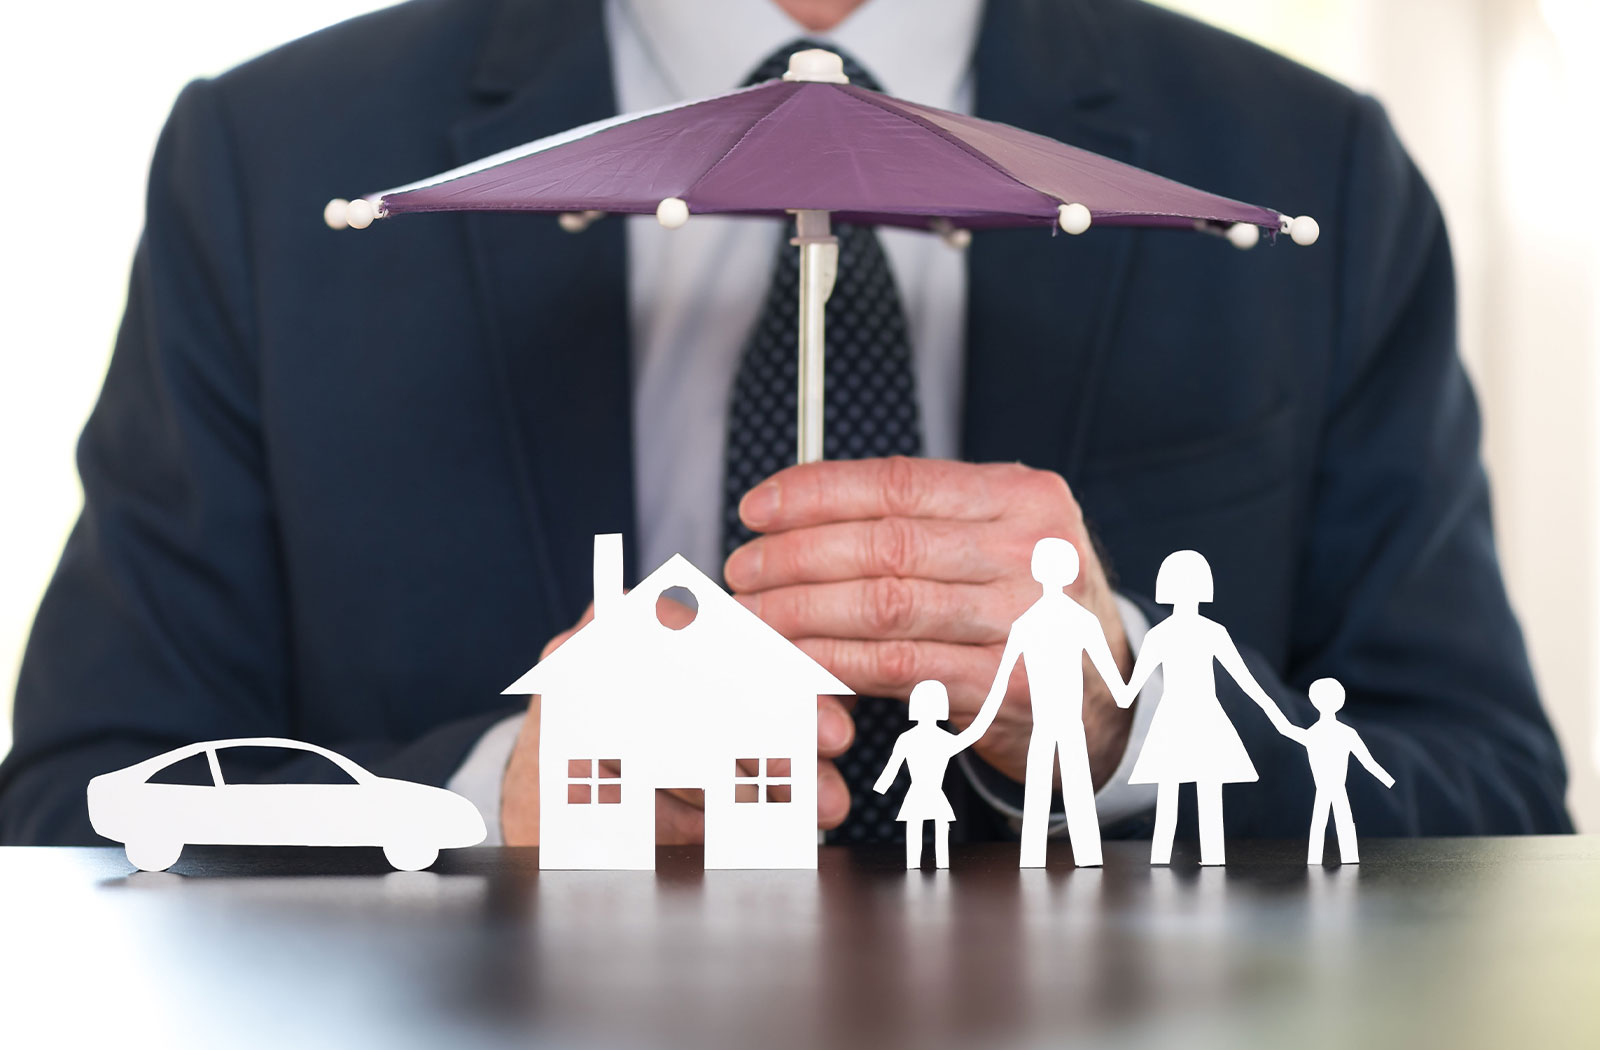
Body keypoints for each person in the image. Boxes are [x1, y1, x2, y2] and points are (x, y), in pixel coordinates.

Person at [0, 0, 1573, 847]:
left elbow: (1491, 789)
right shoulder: (271, 166)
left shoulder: (1307, 172)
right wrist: (480, 800)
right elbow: (72, 803)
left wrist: (1127, 737)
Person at [1121, 551, 1302, 866]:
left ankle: (1176, 859)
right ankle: (1206, 858)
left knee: (1173, 796)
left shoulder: (1163, 635)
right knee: (1201, 795)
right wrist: (1280, 719)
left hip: (1184, 717)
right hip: (1196, 716)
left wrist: (1281, 720)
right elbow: (1247, 683)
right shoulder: (1206, 632)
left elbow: (1126, 694)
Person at [977, 538, 1129, 867]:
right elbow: (1119, 687)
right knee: (1078, 793)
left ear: (1036, 570)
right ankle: (1085, 857)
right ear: (1072, 570)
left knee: (1039, 797)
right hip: (1064, 726)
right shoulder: (1081, 621)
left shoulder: (1026, 624)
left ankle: (1036, 858)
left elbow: (999, 687)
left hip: (1047, 728)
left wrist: (972, 732)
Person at [872, 679, 997, 868]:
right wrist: (881, 788)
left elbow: (891, 768)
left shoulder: (916, 739)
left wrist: (990, 708)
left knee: (932, 834)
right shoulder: (923, 739)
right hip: (922, 794)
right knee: (923, 834)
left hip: (931, 794)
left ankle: (934, 866)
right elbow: (892, 767)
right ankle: (926, 866)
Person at [1294, 678, 1395, 864]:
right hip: (1328, 788)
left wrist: (1388, 780)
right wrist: (1388, 780)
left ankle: (1330, 859)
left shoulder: (1316, 733)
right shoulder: (1325, 733)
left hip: (1332, 788)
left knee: (1327, 824)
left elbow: (1368, 762)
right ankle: (1329, 859)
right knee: (1333, 823)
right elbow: (1368, 762)